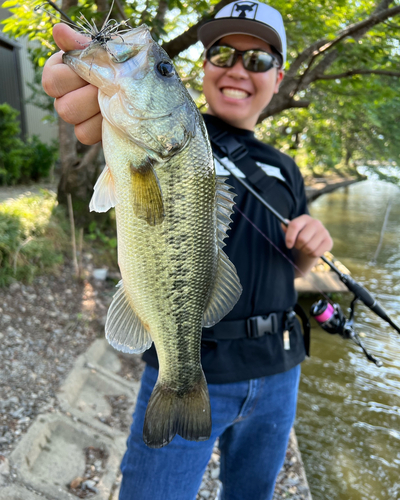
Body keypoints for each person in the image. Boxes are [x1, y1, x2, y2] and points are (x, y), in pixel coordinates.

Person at [42, 2, 333, 499]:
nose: (238, 69)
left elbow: (294, 269)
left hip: (279, 372)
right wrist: (82, 79)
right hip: (200, 365)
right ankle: (179, 383)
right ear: (203, 68)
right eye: (223, 53)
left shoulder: (287, 169)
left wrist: (310, 246)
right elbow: (94, 112)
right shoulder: (175, 130)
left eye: (258, 60)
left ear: (279, 76)